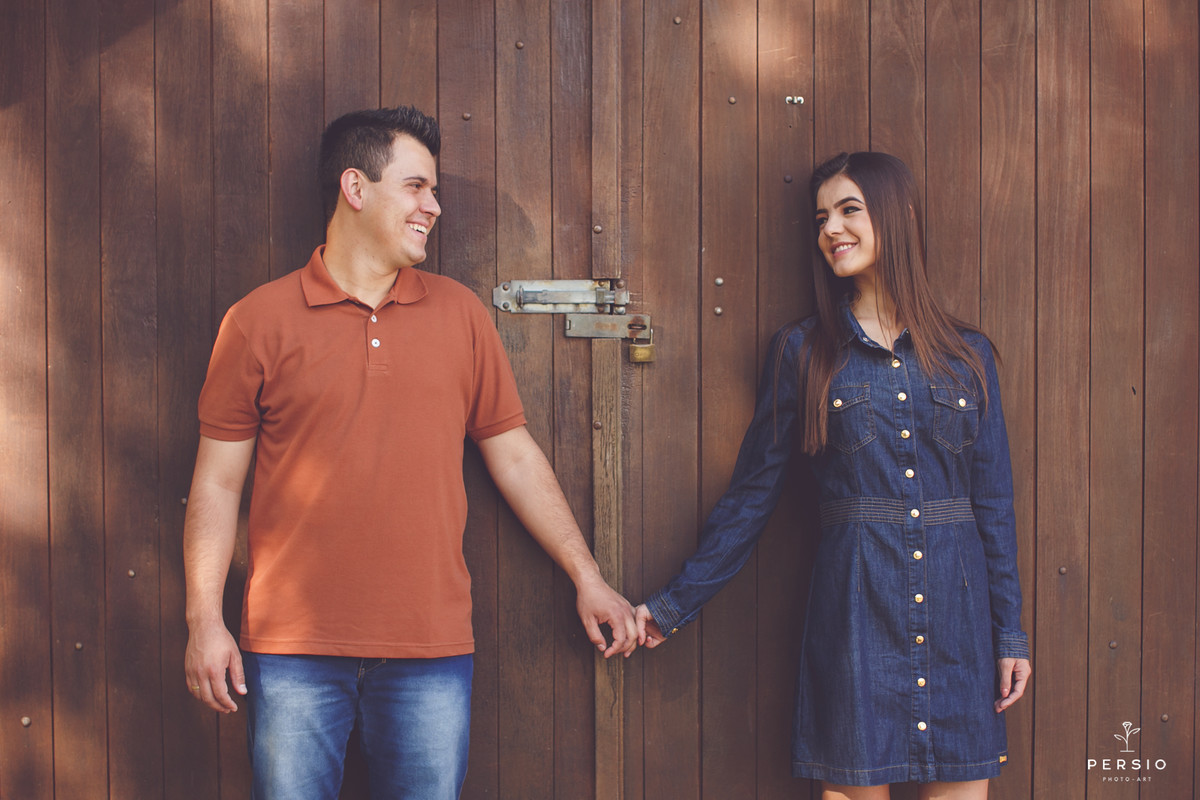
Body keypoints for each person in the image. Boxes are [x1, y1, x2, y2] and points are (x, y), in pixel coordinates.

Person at [183, 105, 637, 799]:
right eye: (417, 187)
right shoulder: (256, 322)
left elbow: (513, 455)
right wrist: (204, 620)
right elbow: (216, 484)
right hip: (292, 651)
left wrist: (587, 575)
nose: (435, 206)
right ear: (356, 188)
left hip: (431, 648)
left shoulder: (459, 315)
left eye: (434, 190)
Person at [635, 151, 1031, 800]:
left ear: (899, 216)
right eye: (822, 217)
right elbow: (751, 499)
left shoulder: (970, 355)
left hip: (961, 624)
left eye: (850, 210)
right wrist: (671, 606)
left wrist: (1009, 631)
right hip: (855, 613)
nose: (831, 230)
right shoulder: (803, 353)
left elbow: (993, 504)